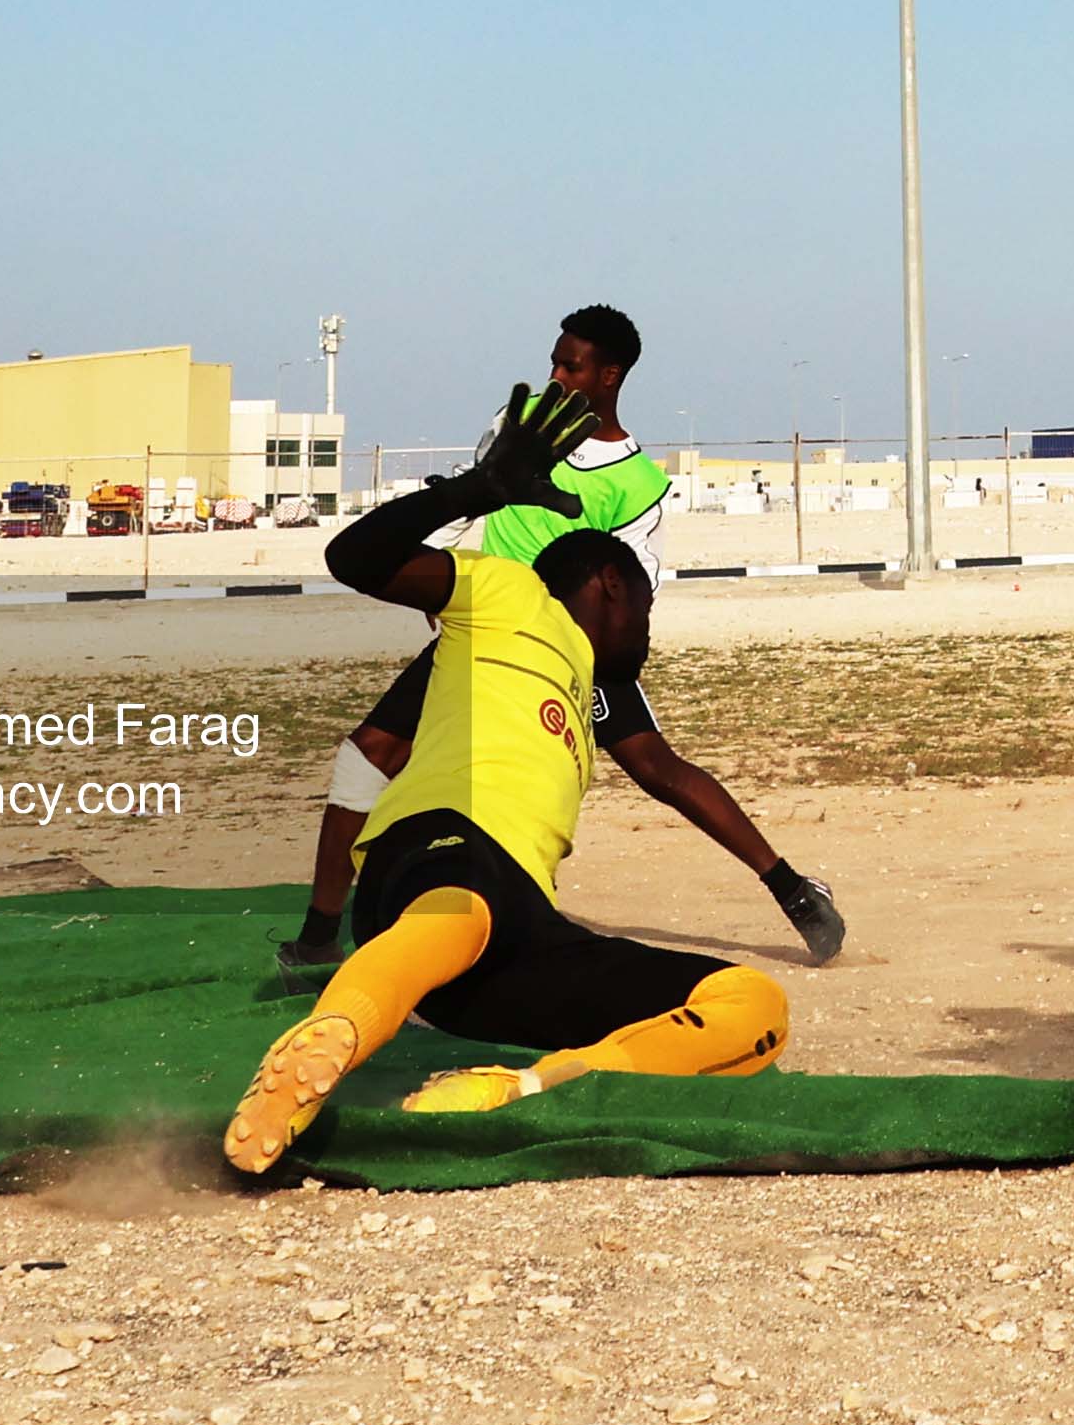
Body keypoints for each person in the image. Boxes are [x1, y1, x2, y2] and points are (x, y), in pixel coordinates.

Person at [220, 386, 794, 1172]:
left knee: (753, 1005)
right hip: (435, 860)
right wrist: (476, 491)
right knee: (462, 911)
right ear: (610, 584)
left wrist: (785, 880)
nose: (650, 634)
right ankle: (330, 1033)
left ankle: (522, 1087)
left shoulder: (594, 685)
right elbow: (351, 559)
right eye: (647, 611)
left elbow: (663, 767)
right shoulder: (505, 593)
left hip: (510, 944)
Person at [286, 306, 839, 972]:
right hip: (487, 624)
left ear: (609, 376)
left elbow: (636, 586)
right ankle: (318, 937)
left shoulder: (637, 483)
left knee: (655, 768)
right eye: (553, 359)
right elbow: (471, 498)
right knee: (369, 754)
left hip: (572, 648)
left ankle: (793, 889)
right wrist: (440, 573)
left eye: (570, 365)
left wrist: (587, 659)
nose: (555, 373)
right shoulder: (521, 428)